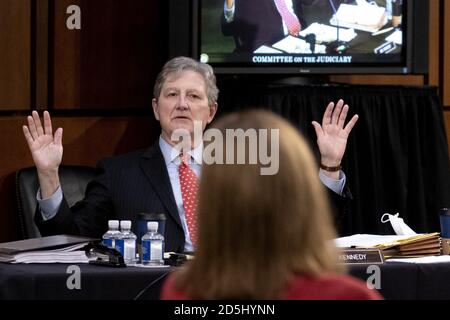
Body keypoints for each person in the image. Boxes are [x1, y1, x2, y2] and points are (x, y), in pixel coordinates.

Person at [22, 56, 357, 253]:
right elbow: (67, 244)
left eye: (193, 96)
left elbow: (307, 226)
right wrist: (49, 175)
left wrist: (329, 165)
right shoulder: (118, 173)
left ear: (211, 111)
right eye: (172, 95)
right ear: (156, 108)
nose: (182, 104)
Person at [161, 109, 381, 300]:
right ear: (301, 201)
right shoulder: (349, 296)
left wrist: (331, 165)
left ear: (211, 206)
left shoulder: (182, 290)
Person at [221, 0, 318, 52]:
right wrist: (230, 5)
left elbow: (308, 1)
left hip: (303, 43)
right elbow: (227, 26)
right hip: (268, 52)